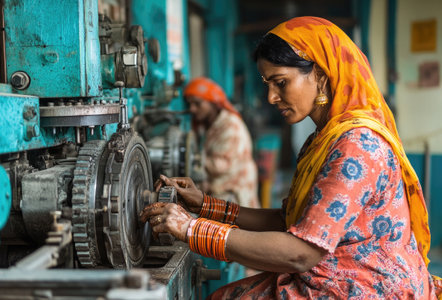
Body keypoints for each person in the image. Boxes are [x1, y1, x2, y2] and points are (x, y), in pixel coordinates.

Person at [141, 17, 441, 298]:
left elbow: (301, 253)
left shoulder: (356, 146)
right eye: (268, 84)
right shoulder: (322, 141)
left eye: (281, 82)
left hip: (365, 286)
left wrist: (193, 229)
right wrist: (206, 206)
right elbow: (289, 221)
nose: (271, 97)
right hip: (332, 273)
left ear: (320, 76)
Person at [183, 77, 259, 209]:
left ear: (213, 103)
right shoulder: (209, 125)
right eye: (190, 104)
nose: (192, 109)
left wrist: (188, 159)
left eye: (197, 104)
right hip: (220, 193)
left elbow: (220, 166)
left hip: (234, 196)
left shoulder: (230, 126)